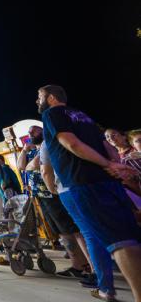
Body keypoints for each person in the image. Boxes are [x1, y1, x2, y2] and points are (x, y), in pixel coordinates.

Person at [38, 85, 141, 301]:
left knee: (117, 241)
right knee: (126, 236)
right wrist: (114, 166)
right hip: (107, 181)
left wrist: (108, 164)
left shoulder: (52, 113)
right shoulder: (83, 116)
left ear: (52, 97)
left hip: (82, 183)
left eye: (39, 96)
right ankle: (107, 288)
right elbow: (108, 147)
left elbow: (71, 143)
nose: (37, 101)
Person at [19, 126, 93, 279]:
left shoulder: (48, 145)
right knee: (63, 231)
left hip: (54, 193)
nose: (30, 134)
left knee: (73, 229)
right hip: (42, 196)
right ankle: (78, 265)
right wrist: (24, 150)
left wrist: (31, 165)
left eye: (34, 131)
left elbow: (32, 166)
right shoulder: (33, 151)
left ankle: (92, 267)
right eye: (29, 132)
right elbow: (22, 166)